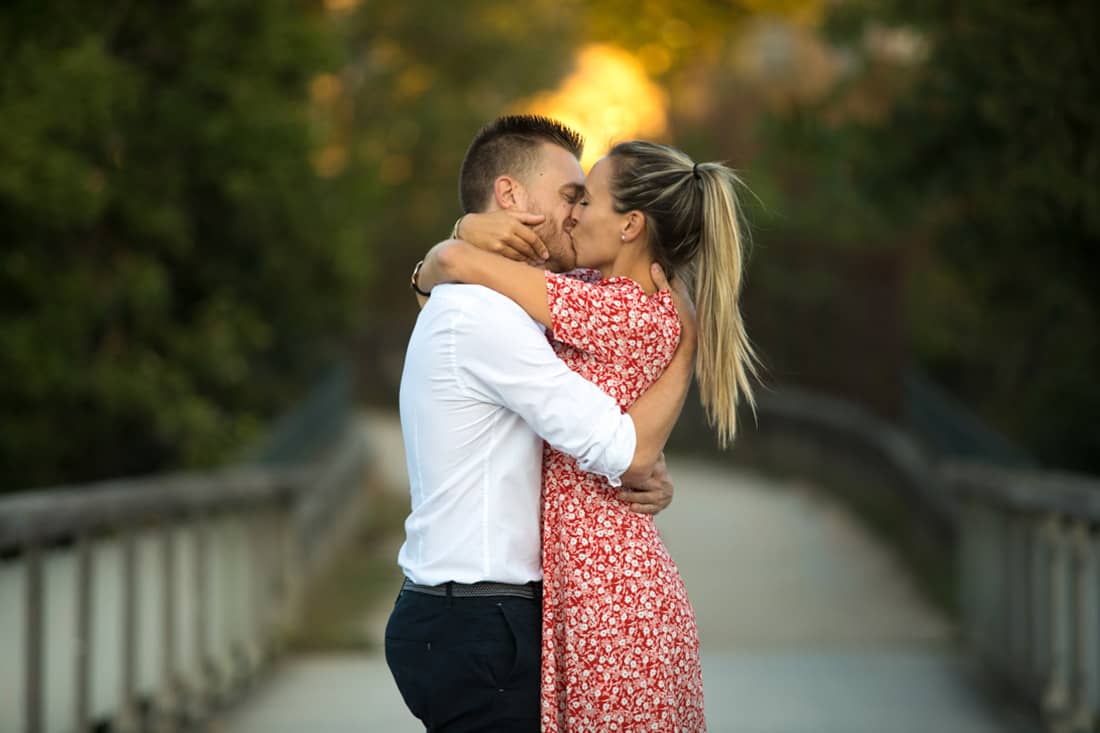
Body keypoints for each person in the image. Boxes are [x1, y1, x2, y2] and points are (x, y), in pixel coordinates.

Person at [418, 139, 758, 732]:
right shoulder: (596, 294)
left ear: (630, 225)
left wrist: (461, 236)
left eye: (586, 200)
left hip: (611, 598)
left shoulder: (617, 310)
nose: (572, 214)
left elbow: (458, 265)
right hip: (596, 587)